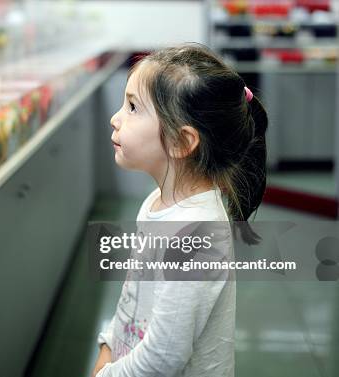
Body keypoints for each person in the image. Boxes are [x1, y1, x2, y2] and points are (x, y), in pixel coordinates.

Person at [92, 44, 268, 377]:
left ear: (181, 141)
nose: (115, 118)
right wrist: (109, 343)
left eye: (132, 107)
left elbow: (162, 359)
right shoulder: (157, 203)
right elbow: (135, 294)